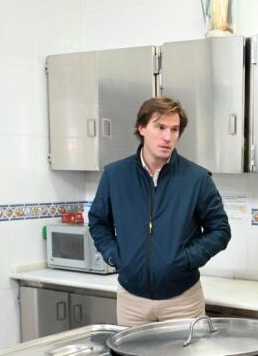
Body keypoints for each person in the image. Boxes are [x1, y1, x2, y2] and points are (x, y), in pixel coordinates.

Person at [88, 97, 231, 326]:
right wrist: (115, 256)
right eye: (160, 127)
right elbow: (98, 222)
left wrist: (186, 259)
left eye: (174, 129)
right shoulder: (115, 175)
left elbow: (220, 231)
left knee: (188, 352)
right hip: (131, 301)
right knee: (132, 352)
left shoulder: (197, 179)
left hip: (182, 301)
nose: (167, 137)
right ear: (142, 128)